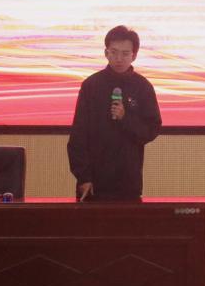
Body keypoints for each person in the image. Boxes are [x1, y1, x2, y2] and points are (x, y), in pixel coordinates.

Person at [67, 26, 162, 201]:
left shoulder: (143, 87)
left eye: (125, 54)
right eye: (114, 52)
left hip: (128, 182)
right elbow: (78, 136)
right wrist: (83, 177)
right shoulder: (91, 85)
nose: (119, 59)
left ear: (134, 55)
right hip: (93, 183)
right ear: (106, 53)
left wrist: (125, 118)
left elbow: (151, 130)